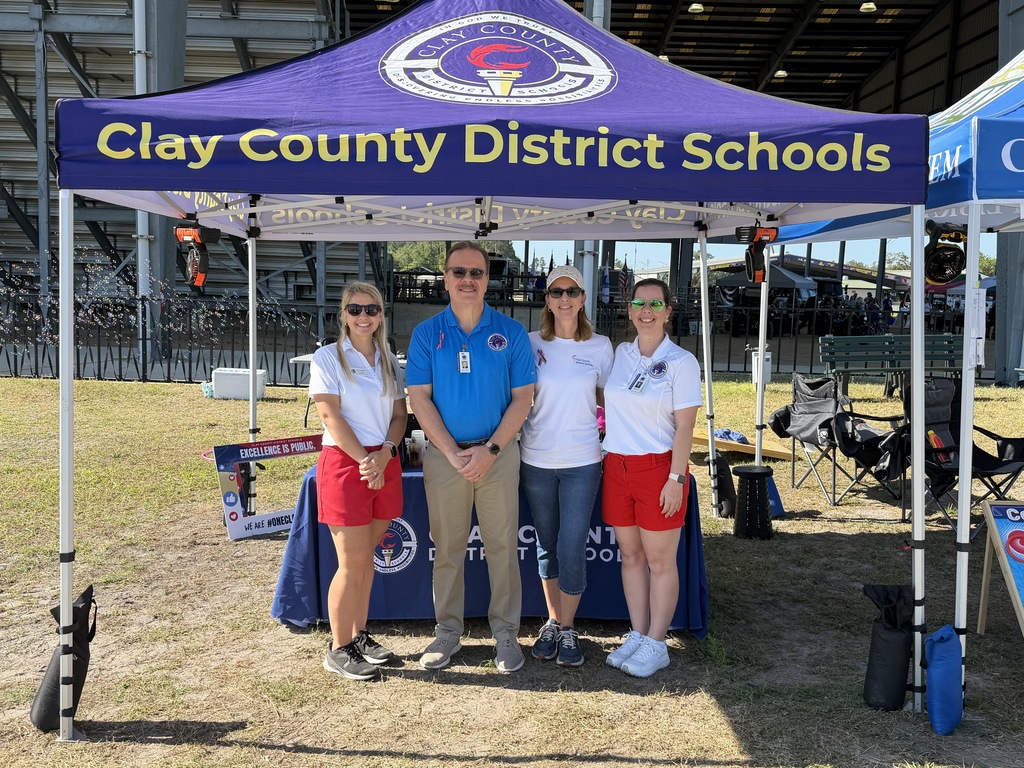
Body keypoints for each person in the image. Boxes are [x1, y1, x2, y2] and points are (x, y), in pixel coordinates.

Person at [405, 242, 537, 673]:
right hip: (446, 458)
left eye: (476, 273)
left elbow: (523, 399)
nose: (467, 280)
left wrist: (491, 450)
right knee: (447, 549)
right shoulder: (427, 333)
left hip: (498, 456)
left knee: (502, 547)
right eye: (458, 272)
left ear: (487, 280)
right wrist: (453, 452)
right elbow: (419, 399)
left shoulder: (512, 332)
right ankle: (447, 634)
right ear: (445, 278)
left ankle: (506, 636)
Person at [600, 278, 702, 678]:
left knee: (660, 561)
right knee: (631, 557)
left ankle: (657, 642)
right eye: (639, 303)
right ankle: (638, 634)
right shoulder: (620, 354)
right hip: (617, 465)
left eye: (655, 303)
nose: (646, 310)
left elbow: (685, 427)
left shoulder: (681, 362)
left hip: (659, 468)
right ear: (629, 310)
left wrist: (677, 478)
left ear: (668, 311)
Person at [309, 281, 408, 681]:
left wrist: (384, 452)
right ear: (343, 315)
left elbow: (400, 416)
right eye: (355, 310)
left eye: (371, 309)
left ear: (381, 314)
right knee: (351, 563)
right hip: (347, 463)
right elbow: (330, 415)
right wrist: (366, 460)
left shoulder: (388, 359)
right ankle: (338, 647)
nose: (363, 316)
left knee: (365, 558)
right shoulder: (327, 357)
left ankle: (359, 634)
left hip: (382, 460)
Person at [520, 265, 613, 668]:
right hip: (535, 459)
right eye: (556, 291)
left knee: (572, 545)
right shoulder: (527, 343)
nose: (564, 298)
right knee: (546, 545)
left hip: (582, 461)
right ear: (547, 299)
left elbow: (613, 401)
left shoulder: (601, 346)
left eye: (572, 291)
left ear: (583, 299)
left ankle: (567, 625)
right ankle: (555, 622)